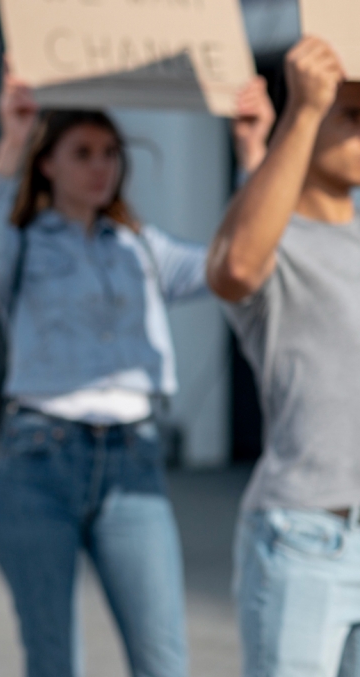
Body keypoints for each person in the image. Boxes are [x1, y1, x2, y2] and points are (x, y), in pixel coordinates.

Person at [0, 63, 274, 677]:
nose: (102, 166)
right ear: (50, 164)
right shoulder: (21, 243)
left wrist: (251, 153)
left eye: (110, 153)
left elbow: (234, 262)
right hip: (38, 459)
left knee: (164, 661)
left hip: (134, 461)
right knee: (53, 662)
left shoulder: (142, 245)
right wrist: (13, 139)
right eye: (83, 153)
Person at [207, 36, 360, 677]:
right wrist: (300, 110)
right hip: (306, 535)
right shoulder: (275, 240)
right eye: (352, 114)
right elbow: (235, 267)